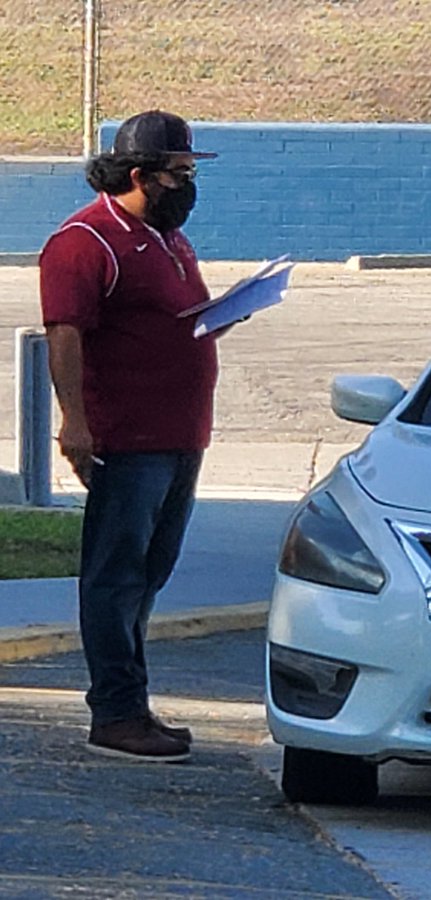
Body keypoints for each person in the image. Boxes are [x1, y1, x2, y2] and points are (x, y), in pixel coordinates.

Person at [39, 110, 225, 762]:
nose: (190, 185)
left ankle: (134, 703)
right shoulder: (86, 243)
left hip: (182, 435)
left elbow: (171, 323)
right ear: (141, 175)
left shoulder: (168, 239)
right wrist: (75, 423)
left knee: (150, 574)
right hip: (130, 438)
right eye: (181, 173)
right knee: (115, 577)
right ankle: (114, 712)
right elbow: (65, 336)